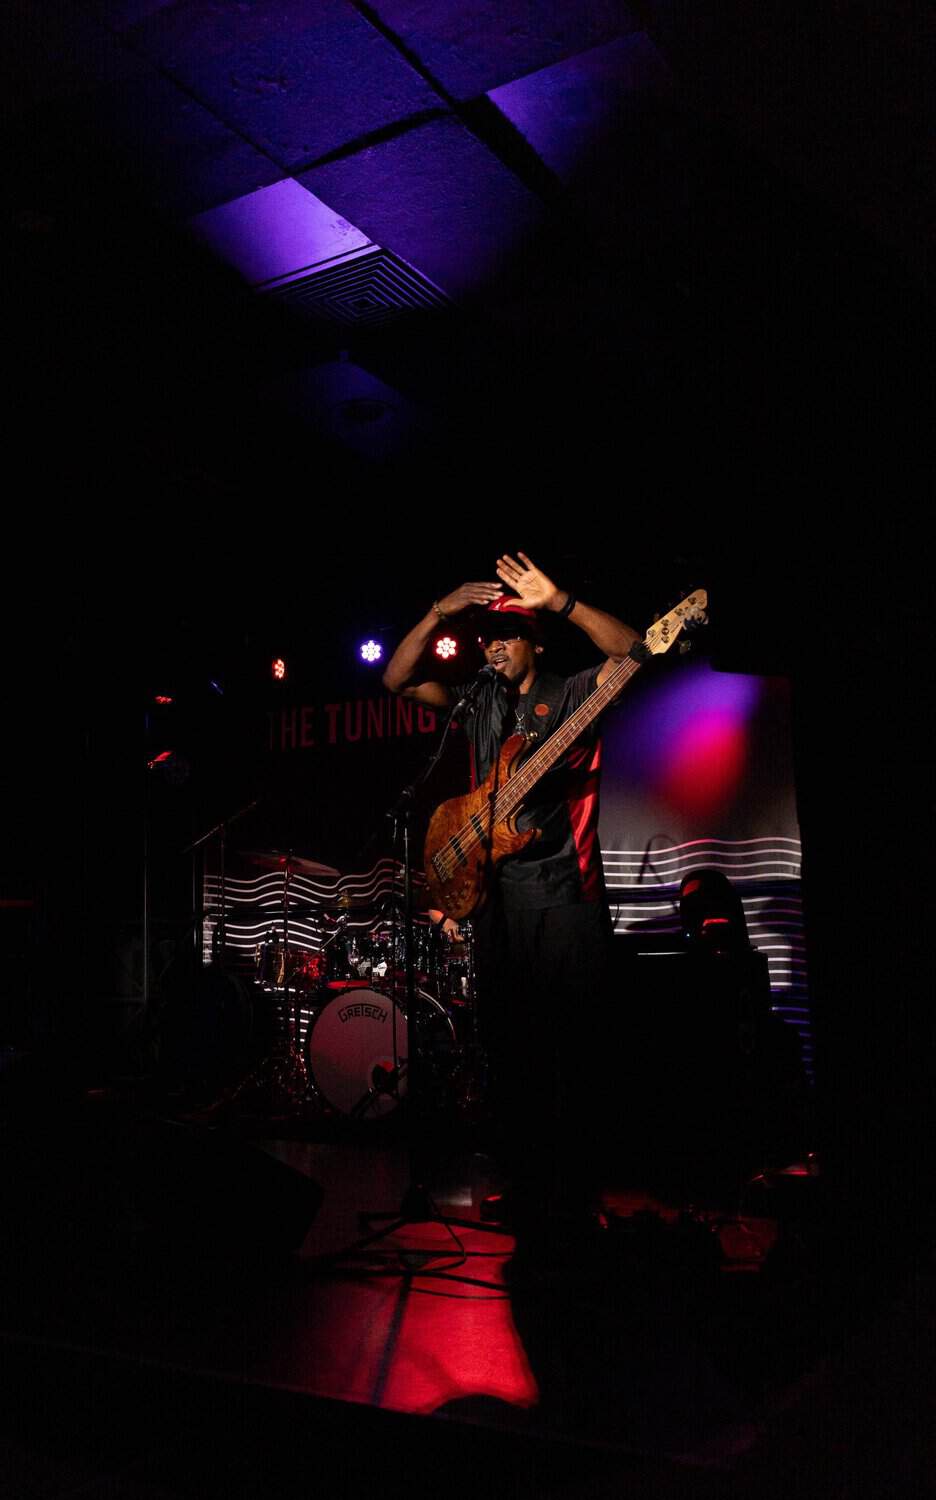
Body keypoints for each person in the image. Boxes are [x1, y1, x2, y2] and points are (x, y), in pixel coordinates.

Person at [383, 551, 640, 1238]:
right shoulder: (477, 702)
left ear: (535, 642)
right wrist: (437, 612)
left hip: (564, 893)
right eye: (486, 638)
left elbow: (635, 651)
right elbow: (396, 679)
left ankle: (577, 1195)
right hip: (497, 898)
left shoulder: (571, 689)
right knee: (512, 1050)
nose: (493, 647)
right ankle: (525, 1185)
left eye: (506, 635)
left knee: (572, 1053)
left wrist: (562, 602)